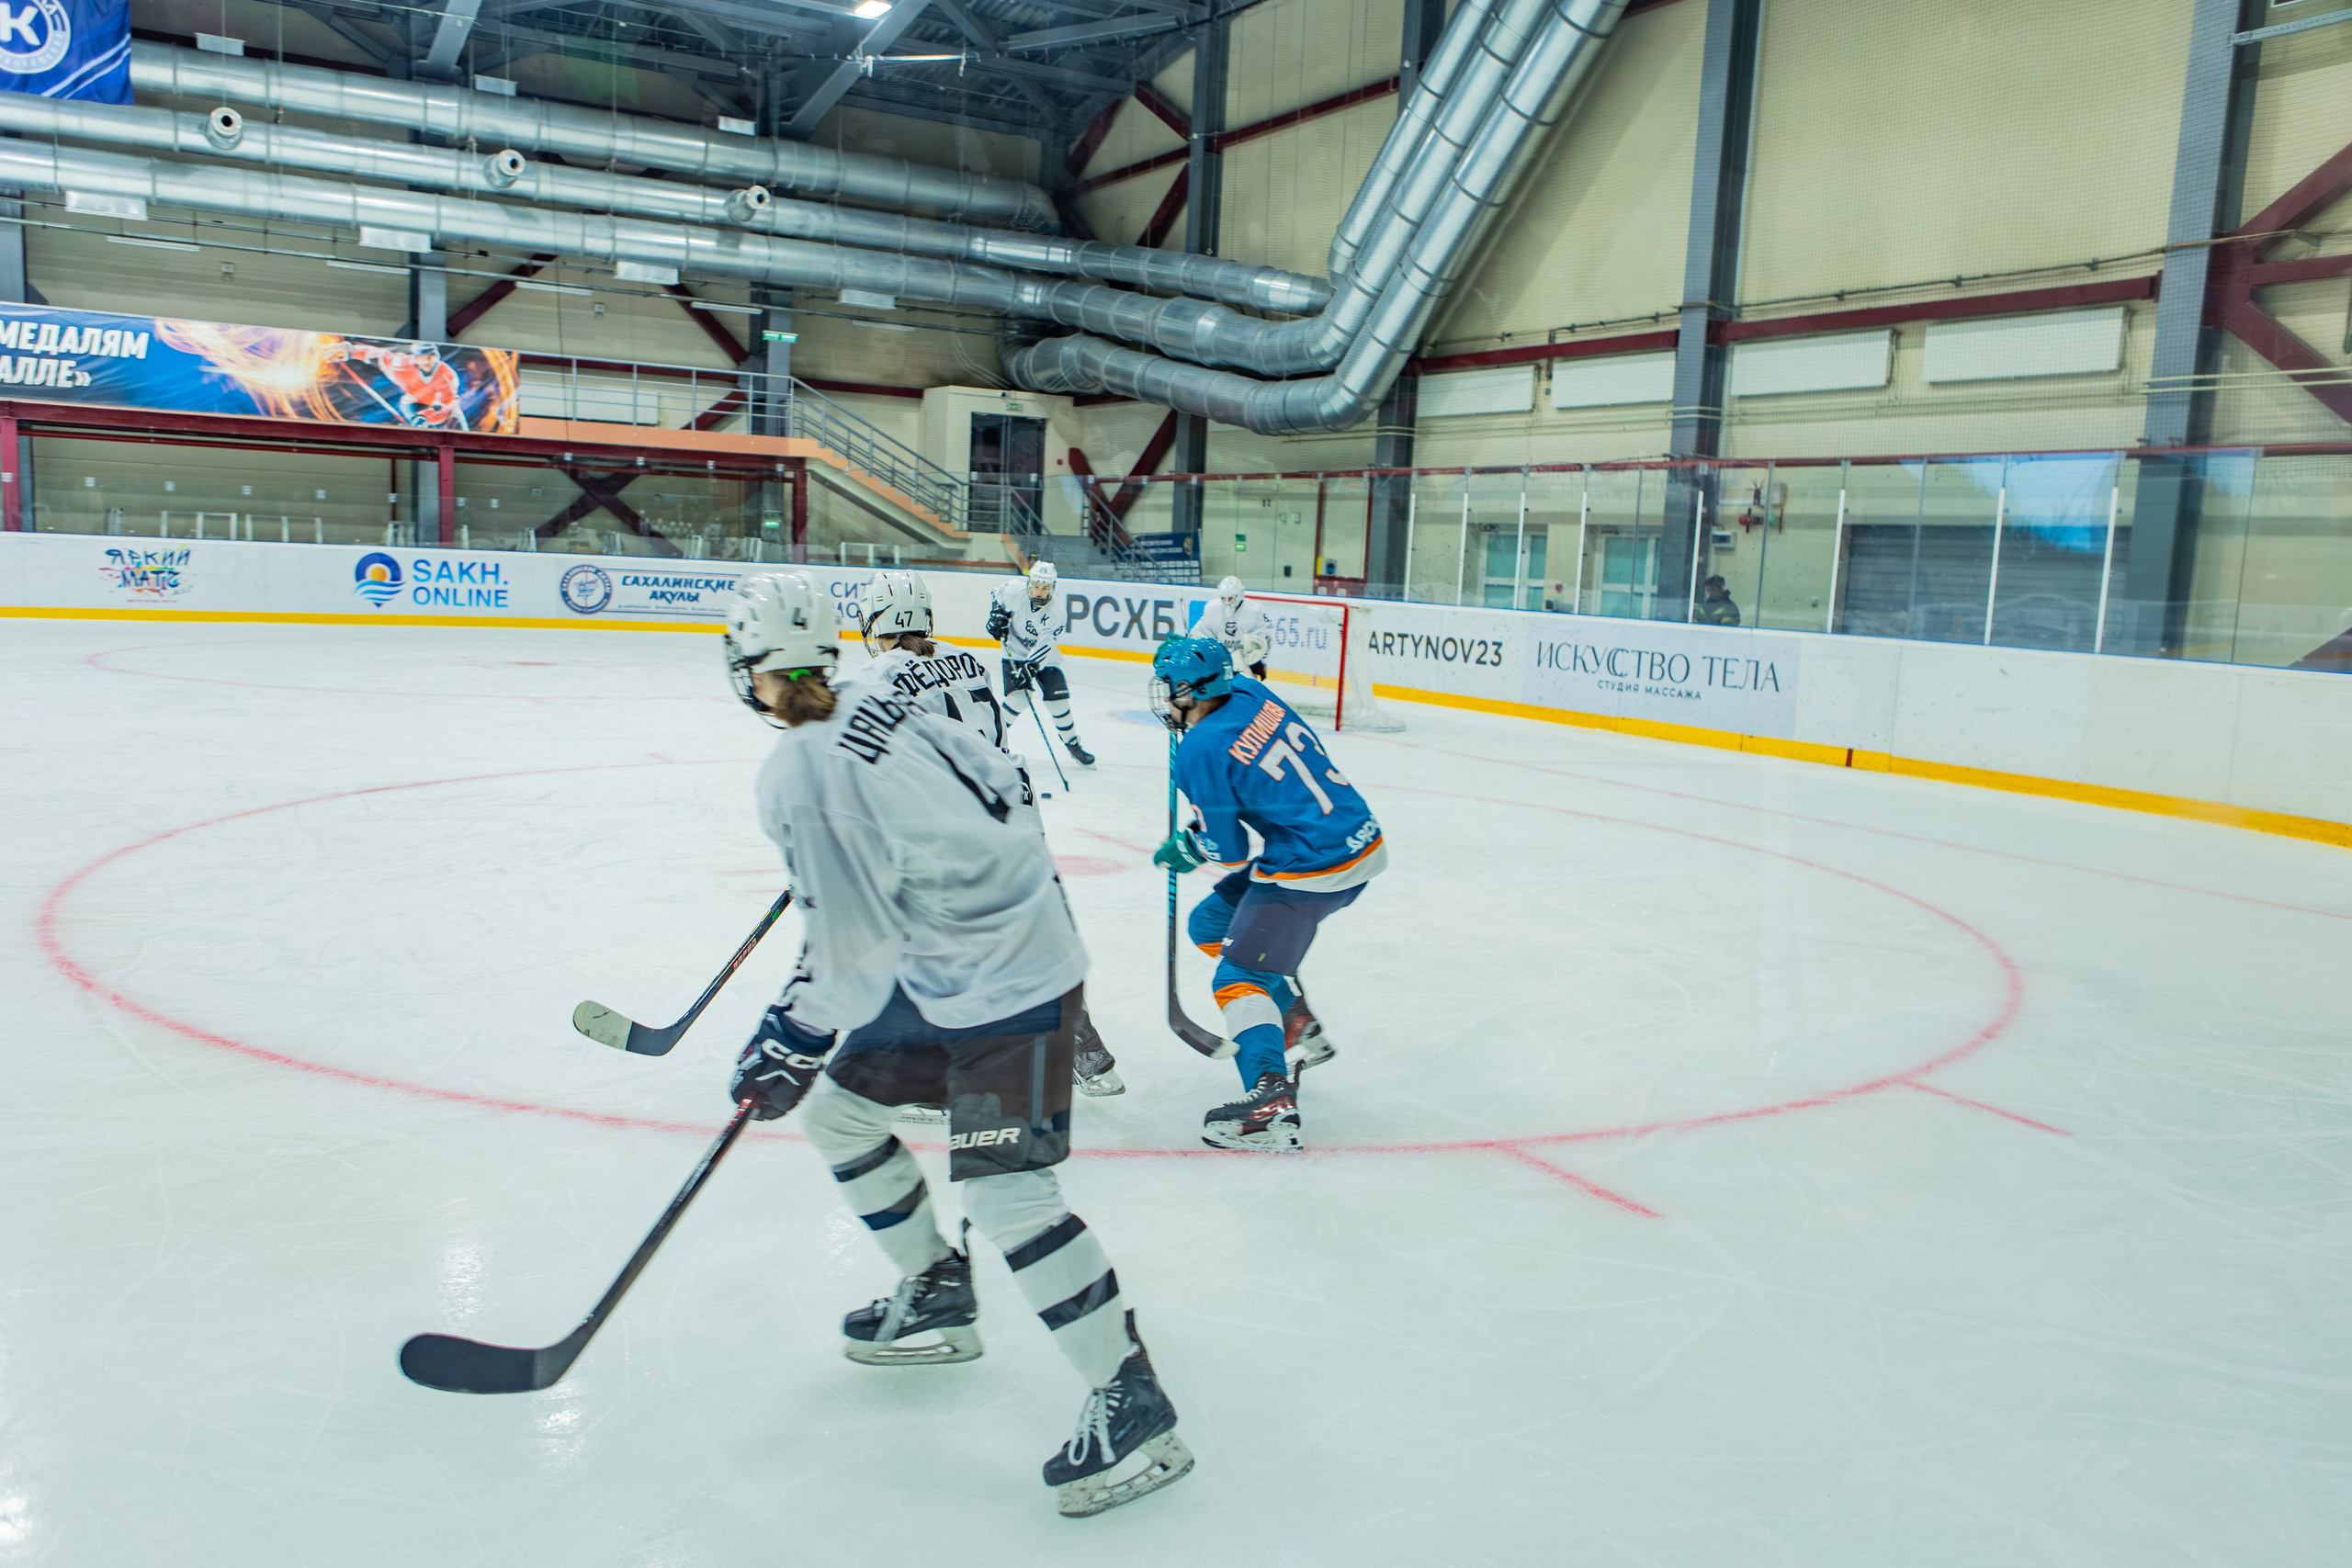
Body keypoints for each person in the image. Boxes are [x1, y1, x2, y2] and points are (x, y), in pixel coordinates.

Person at [718, 569, 1191, 1518]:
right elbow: (1007, 793)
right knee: (843, 1117)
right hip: (983, 960)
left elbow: (848, 955)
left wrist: (791, 1034)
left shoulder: (797, 777)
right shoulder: (887, 700)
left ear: (747, 668)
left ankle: (1132, 1403)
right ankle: (935, 1284)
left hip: (1000, 995)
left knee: (1007, 1191)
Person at [843, 570, 1125, 1098]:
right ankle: (1083, 1047)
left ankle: (928, 1076)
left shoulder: (875, 677)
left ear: (877, 619)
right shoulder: (965, 657)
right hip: (1016, 809)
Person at [1148, 635, 1385, 1153]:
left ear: (1195, 690)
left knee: (1237, 975)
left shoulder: (1199, 750)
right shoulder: (1254, 692)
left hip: (1314, 867)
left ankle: (1269, 1099)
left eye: (1172, 689)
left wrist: (1190, 845)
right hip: (1353, 836)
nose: (1166, 698)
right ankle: (1293, 1018)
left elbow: (1228, 852)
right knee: (1209, 925)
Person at [986, 560, 1094, 769]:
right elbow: (996, 594)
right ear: (1030, 583)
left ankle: (1072, 744)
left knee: (1058, 701)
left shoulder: (1058, 612)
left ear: (1052, 588)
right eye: (1036, 586)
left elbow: (1046, 646)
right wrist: (996, 616)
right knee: (1019, 699)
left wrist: (1031, 667)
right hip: (1014, 652)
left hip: (1046, 658)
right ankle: (990, 742)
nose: (1039, 592)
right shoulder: (1015, 591)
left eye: (1044, 588)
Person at [1199, 575, 1271, 678]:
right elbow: (1201, 632)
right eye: (1224, 598)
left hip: (1243, 660)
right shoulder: (1212, 608)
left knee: (1245, 687)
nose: (1227, 602)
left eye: (1231, 598)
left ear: (1240, 595)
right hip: (1220, 659)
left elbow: (1265, 639)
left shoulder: (1255, 611)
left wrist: (1260, 661)